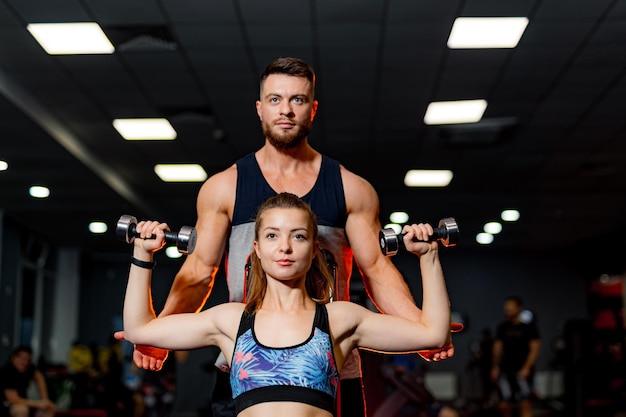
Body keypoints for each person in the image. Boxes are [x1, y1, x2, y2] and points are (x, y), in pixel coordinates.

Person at [115, 56, 459, 416]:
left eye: (297, 100)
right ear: (260, 109)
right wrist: (160, 336)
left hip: (331, 365)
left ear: (313, 109)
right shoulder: (224, 187)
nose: (286, 111)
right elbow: (199, 271)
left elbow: (376, 269)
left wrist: (420, 327)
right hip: (246, 363)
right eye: (276, 100)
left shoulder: (351, 188)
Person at [122, 192, 452, 417]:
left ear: (313, 249)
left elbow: (433, 334)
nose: (285, 247)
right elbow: (140, 329)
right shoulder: (232, 321)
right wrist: (142, 254)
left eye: (298, 236)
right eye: (272, 236)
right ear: (257, 249)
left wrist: (429, 255)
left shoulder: (339, 320)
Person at [490, 296, 540, 417]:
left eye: (511, 308)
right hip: (506, 369)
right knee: (503, 403)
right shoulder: (502, 327)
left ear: (519, 308)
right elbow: (497, 348)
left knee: (525, 401)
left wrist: (527, 367)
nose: (508, 310)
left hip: (522, 369)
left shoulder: (528, 328)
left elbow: (535, 348)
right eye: (506, 308)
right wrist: (495, 367)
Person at [0, 346, 56, 417]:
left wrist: (45, 399)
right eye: (22, 359)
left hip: (24, 402)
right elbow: (13, 399)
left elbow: (39, 377)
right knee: (21, 410)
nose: (25, 362)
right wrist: (38, 404)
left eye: (28, 359)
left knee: (48, 408)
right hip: (7, 405)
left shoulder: (27, 367)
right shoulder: (6, 372)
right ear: (14, 358)